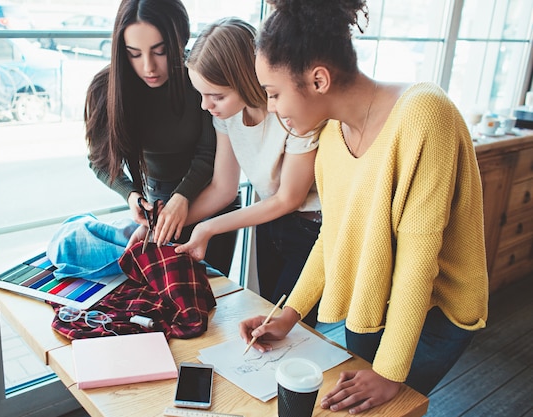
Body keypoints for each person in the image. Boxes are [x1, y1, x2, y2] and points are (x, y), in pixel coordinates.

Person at [239, 0, 489, 413]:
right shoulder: (333, 139)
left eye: (274, 93)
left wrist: (391, 373)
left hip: (434, 314)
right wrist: (289, 315)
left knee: (386, 408)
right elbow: (332, 237)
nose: (271, 107)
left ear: (318, 79)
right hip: (375, 302)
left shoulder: (425, 113)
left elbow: (418, 260)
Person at [169, 17, 321, 326]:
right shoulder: (226, 115)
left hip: (310, 232)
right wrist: (168, 223)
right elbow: (223, 188)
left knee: (294, 330)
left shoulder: (292, 112)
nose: (205, 105)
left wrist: (208, 228)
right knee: (266, 316)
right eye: (201, 94)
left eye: (217, 96)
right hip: (268, 223)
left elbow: (288, 198)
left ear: (247, 79)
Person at [84, 0, 239, 275]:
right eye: (134, 53)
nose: (149, 67)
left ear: (181, 38)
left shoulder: (200, 79)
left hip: (211, 203)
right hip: (157, 209)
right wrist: (131, 195)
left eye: (160, 51)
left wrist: (182, 197)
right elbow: (100, 161)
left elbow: (209, 155)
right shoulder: (105, 89)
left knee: (211, 303)